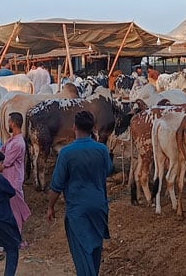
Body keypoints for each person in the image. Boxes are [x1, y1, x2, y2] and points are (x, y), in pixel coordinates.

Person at [47, 110, 112, 276]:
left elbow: (56, 186)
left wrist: (50, 207)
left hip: (77, 210)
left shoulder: (67, 153)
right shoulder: (102, 150)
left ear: (74, 126)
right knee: (96, 249)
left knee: (82, 254)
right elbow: (107, 171)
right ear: (93, 128)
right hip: (99, 206)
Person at [0, 112, 31, 244]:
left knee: (15, 212)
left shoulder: (18, 143)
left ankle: (17, 240)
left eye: (9, 122)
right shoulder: (13, 140)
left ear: (13, 123)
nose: (8, 124)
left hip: (13, 181)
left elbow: (6, 161)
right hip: (9, 180)